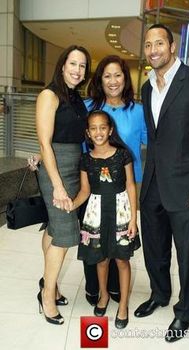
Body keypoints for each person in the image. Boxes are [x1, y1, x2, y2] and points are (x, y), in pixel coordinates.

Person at [134, 24, 189, 342]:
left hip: (188, 186)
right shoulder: (146, 88)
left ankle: (185, 311)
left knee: (186, 253)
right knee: (155, 248)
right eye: (148, 44)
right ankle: (160, 294)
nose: (153, 49)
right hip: (153, 183)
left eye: (159, 43)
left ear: (172, 47)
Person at [65, 110, 140, 329]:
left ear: (110, 130)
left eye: (103, 127)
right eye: (93, 128)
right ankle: (104, 295)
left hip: (121, 213)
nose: (99, 132)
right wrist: (72, 204)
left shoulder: (122, 154)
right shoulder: (86, 159)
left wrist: (133, 219)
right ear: (88, 133)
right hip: (96, 214)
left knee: (122, 260)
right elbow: (85, 191)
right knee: (101, 259)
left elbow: (130, 186)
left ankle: (123, 304)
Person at [83, 55, 147, 306]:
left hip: (125, 186)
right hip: (94, 185)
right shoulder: (89, 107)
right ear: (100, 79)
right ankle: (94, 286)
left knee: (118, 239)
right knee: (95, 237)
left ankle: (114, 286)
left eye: (117, 75)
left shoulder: (139, 111)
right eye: (107, 76)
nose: (112, 81)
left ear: (125, 78)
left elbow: (151, 143)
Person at [35, 45, 91, 325]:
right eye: (73, 63)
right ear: (62, 65)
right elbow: (45, 142)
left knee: (55, 227)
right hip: (55, 169)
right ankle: (47, 296)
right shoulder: (49, 94)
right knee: (67, 233)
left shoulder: (76, 97)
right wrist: (57, 185)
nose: (77, 70)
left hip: (73, 164)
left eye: (82, 66)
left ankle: (50, 285)